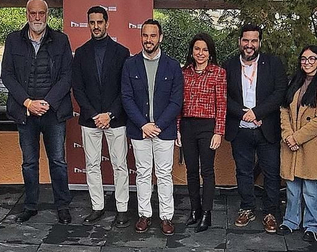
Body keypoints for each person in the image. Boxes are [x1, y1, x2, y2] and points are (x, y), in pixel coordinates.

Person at [2, 0, 75, 223]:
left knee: (58, 161)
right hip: (25, 112)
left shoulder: (61, 40)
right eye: (32, 13)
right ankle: (30, 206)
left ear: (47, 15)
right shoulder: (13, 40)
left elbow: (67, 76)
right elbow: (7, 75)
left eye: (41, 13)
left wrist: (47, 103)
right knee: (29, 162)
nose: (36, 18)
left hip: (53, 112)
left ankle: (62, 206)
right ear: (26, 15)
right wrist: (28, 103)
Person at [71, 5, 133, 226]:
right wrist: (94, 114)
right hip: (90, 119)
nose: (95, 26)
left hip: (116, 119)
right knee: (92, 164)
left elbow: (125, 89)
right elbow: (77, 88)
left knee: (120, 165)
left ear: (107, 23)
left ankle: (122, 208)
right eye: (92, 22)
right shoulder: (81, 53)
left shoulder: (122, 52)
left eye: (99, 22)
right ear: (88, 24)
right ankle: (97, 206)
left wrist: (110, 114)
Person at [121, 19, 184, 235]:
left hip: (163, 131)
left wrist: (158, 125)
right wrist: (143, 125)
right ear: (141, 37)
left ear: (161, 38)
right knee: (143, 173)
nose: (149, 40)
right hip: (139, 130)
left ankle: (166, 217)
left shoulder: (173, 65)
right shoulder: (130, 64)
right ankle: (144, 215)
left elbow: (177, 101)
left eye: (153, 36)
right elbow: (126, 98)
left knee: (165, 174)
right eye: (145, 36)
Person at [225, 24, 286, 232]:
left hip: (265, 127)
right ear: (240, 42)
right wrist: (243, 113)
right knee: (243, 171)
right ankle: (247, 208)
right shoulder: (229, 65)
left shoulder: (273, 64)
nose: (249, 45)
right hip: (240, 128)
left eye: (253, 41)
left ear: (260, 42)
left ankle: (271, 212)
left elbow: (279, 93)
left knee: (271, 172)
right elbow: (224, 97)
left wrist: (257, 112)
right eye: (245, 40)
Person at [280, 44, 317, 243]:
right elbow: (284, 109)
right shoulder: (294, 81)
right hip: (291, 143)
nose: (307, 63)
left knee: (312, 189)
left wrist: (296, 138)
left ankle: (312, 226)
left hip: (311, 144)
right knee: (292, 187)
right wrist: (288, 135)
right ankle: (290, 221)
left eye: (312, 59)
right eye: (304, 59)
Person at [180, 33, 227, 231]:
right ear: (192, 51)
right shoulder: (184, 73)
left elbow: (222, 104)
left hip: (208, 126)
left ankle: (207, 214)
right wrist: (177, 129)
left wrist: (219, 131)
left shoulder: (218, 72)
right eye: (197, 49)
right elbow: (178, 104)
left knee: (206, 171)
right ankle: (195, 210)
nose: (200, 53)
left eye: (205, 50)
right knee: (191, 171)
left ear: (210, 52)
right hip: (187, 125)